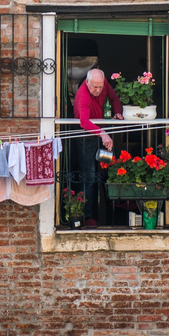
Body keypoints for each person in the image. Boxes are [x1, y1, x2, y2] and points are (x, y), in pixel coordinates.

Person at [73, 68, 123, 226]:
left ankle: (113, 211)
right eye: (95, 87)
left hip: (102, 134)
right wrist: (102, 133)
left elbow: (114, 98)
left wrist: (118, 112)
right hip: (86, 136)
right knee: (89, 175)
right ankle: (88, 216)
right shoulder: (82, 95)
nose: (98, 90)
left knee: (109, 170)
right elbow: (84, 122)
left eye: (100, 87)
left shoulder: (103, 84)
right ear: (87, 83)